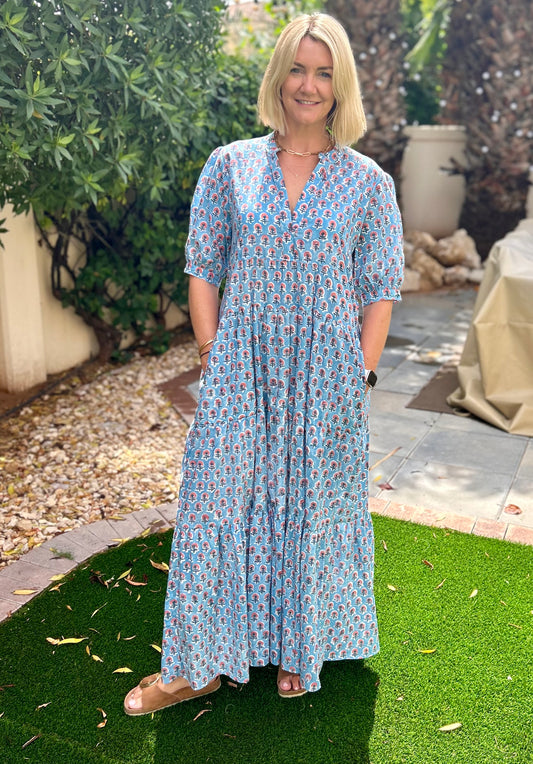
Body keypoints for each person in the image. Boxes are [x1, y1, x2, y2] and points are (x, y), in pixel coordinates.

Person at [124, 11, 403, 715]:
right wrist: (213, 356)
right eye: (297, 69)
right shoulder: (230, 165)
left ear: (340, 85)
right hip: (239, 368)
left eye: (323, 73)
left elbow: (379, 291)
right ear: (278, 76)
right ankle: (196, 665)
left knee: (311, 505)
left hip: (325, 377)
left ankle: (299, 645)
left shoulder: (368, 182)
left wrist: (359, 375)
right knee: (213, 503)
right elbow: (203, 268)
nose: (308, 85)